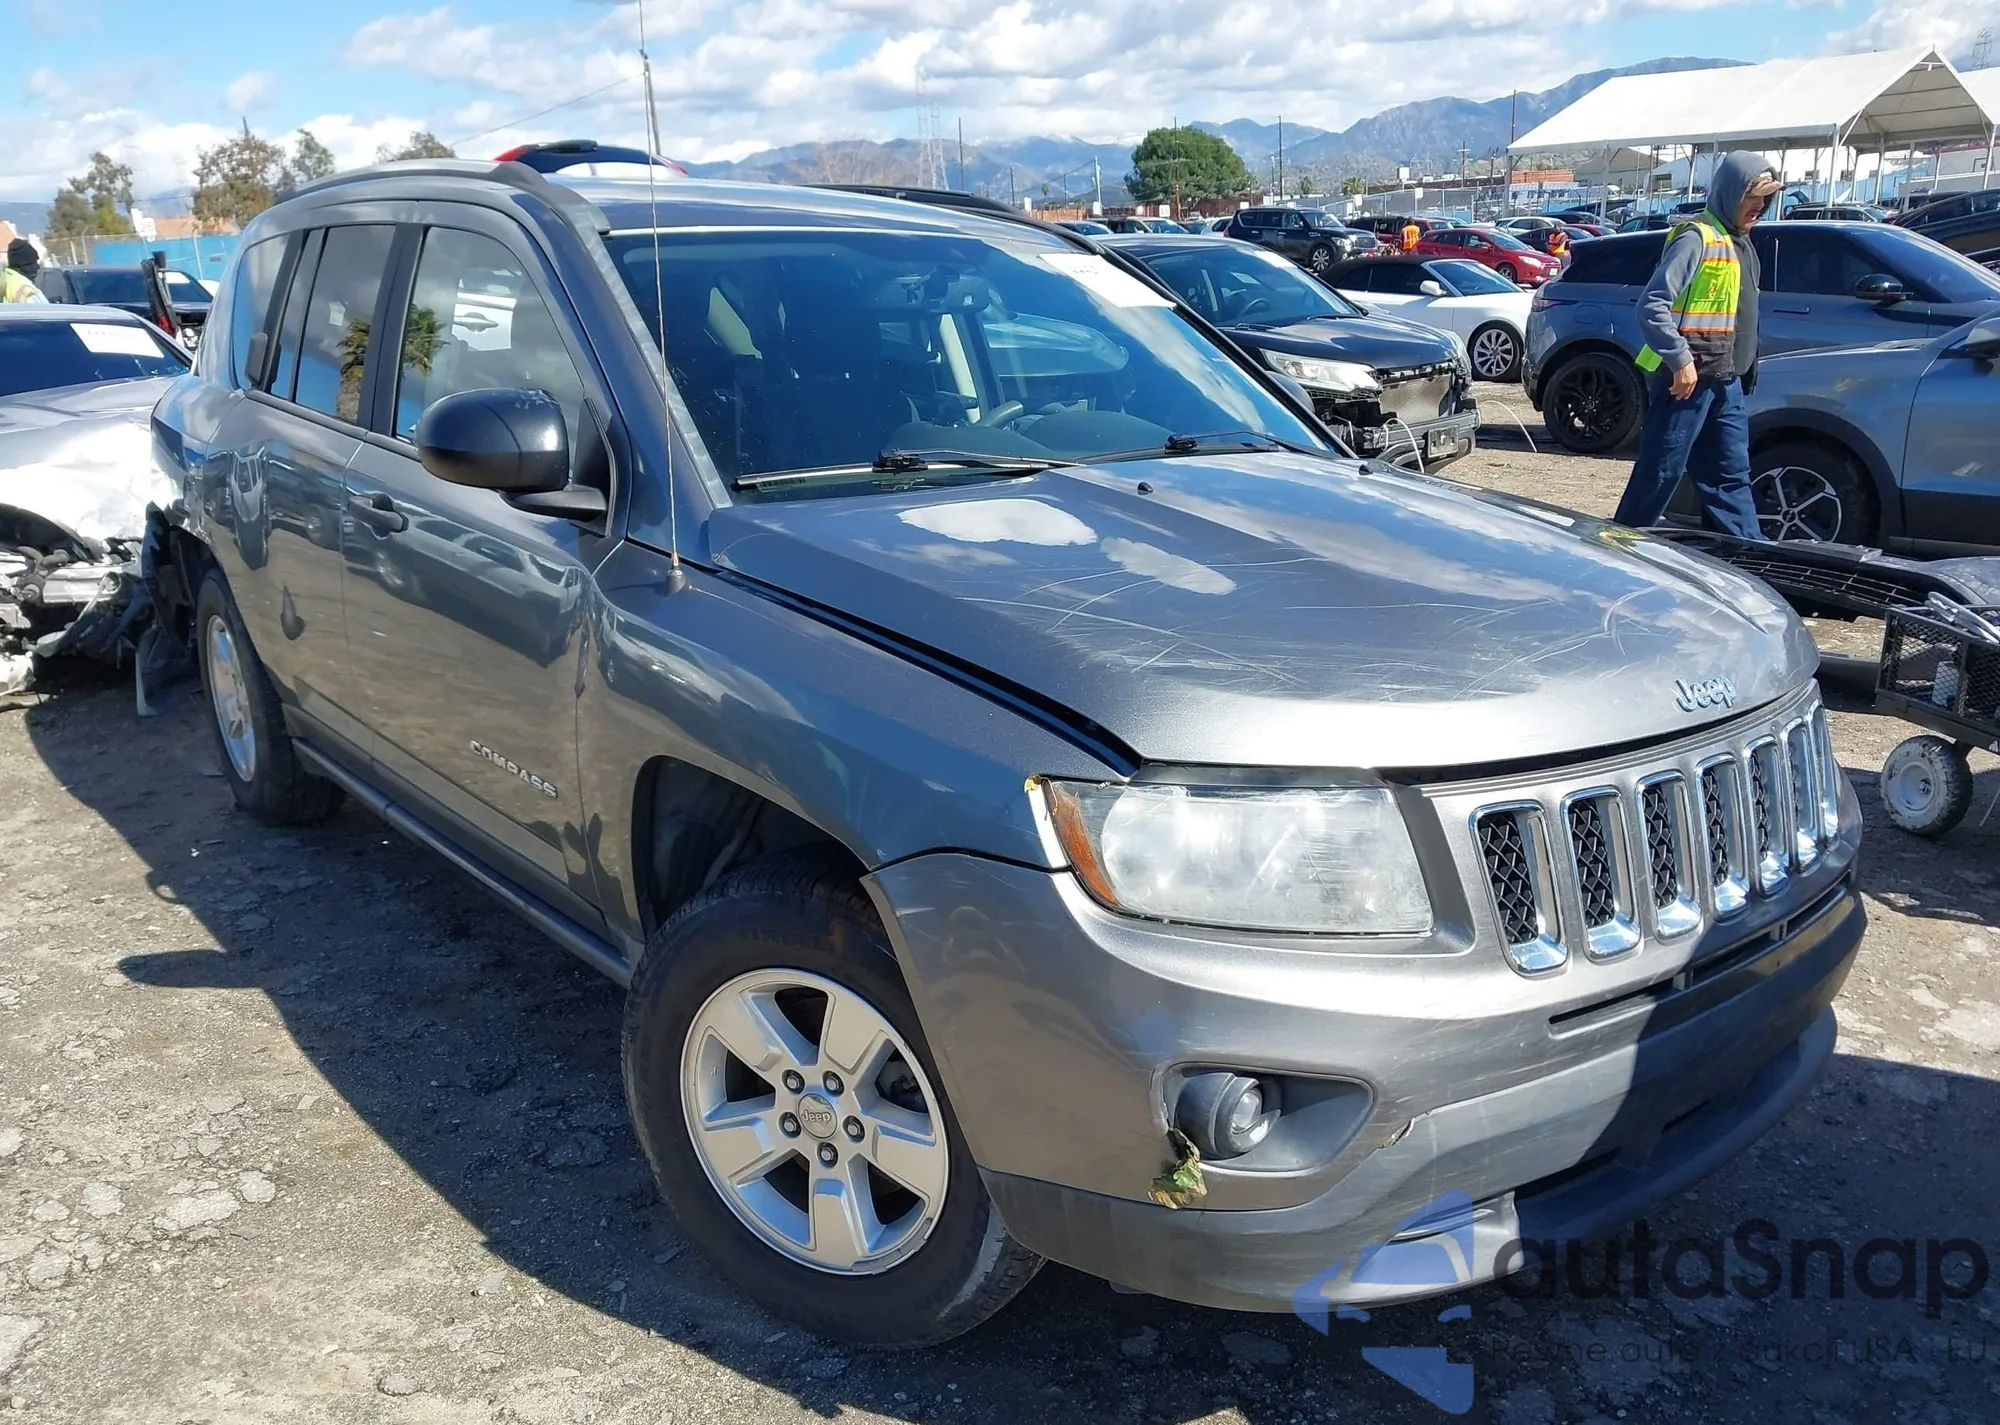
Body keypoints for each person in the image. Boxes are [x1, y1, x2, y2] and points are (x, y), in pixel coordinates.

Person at [1612, 152, 1783, 541]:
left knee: (1730, 477)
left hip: (1726, 381)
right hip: (1687, 384)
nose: (1760, 205)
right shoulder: (1697, 238)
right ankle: (1620, 550)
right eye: (1753, 196)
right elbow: (1652, 305)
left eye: (1766, 197)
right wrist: (1680, 360)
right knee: (1660, 473)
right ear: (1730, 192)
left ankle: (1747, 558)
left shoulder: (1741, 243)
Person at [1, 238, 46, 303]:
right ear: (20, 265)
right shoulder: (26, 292)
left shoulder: (6, 281)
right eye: (32, 263)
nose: (37, 266)